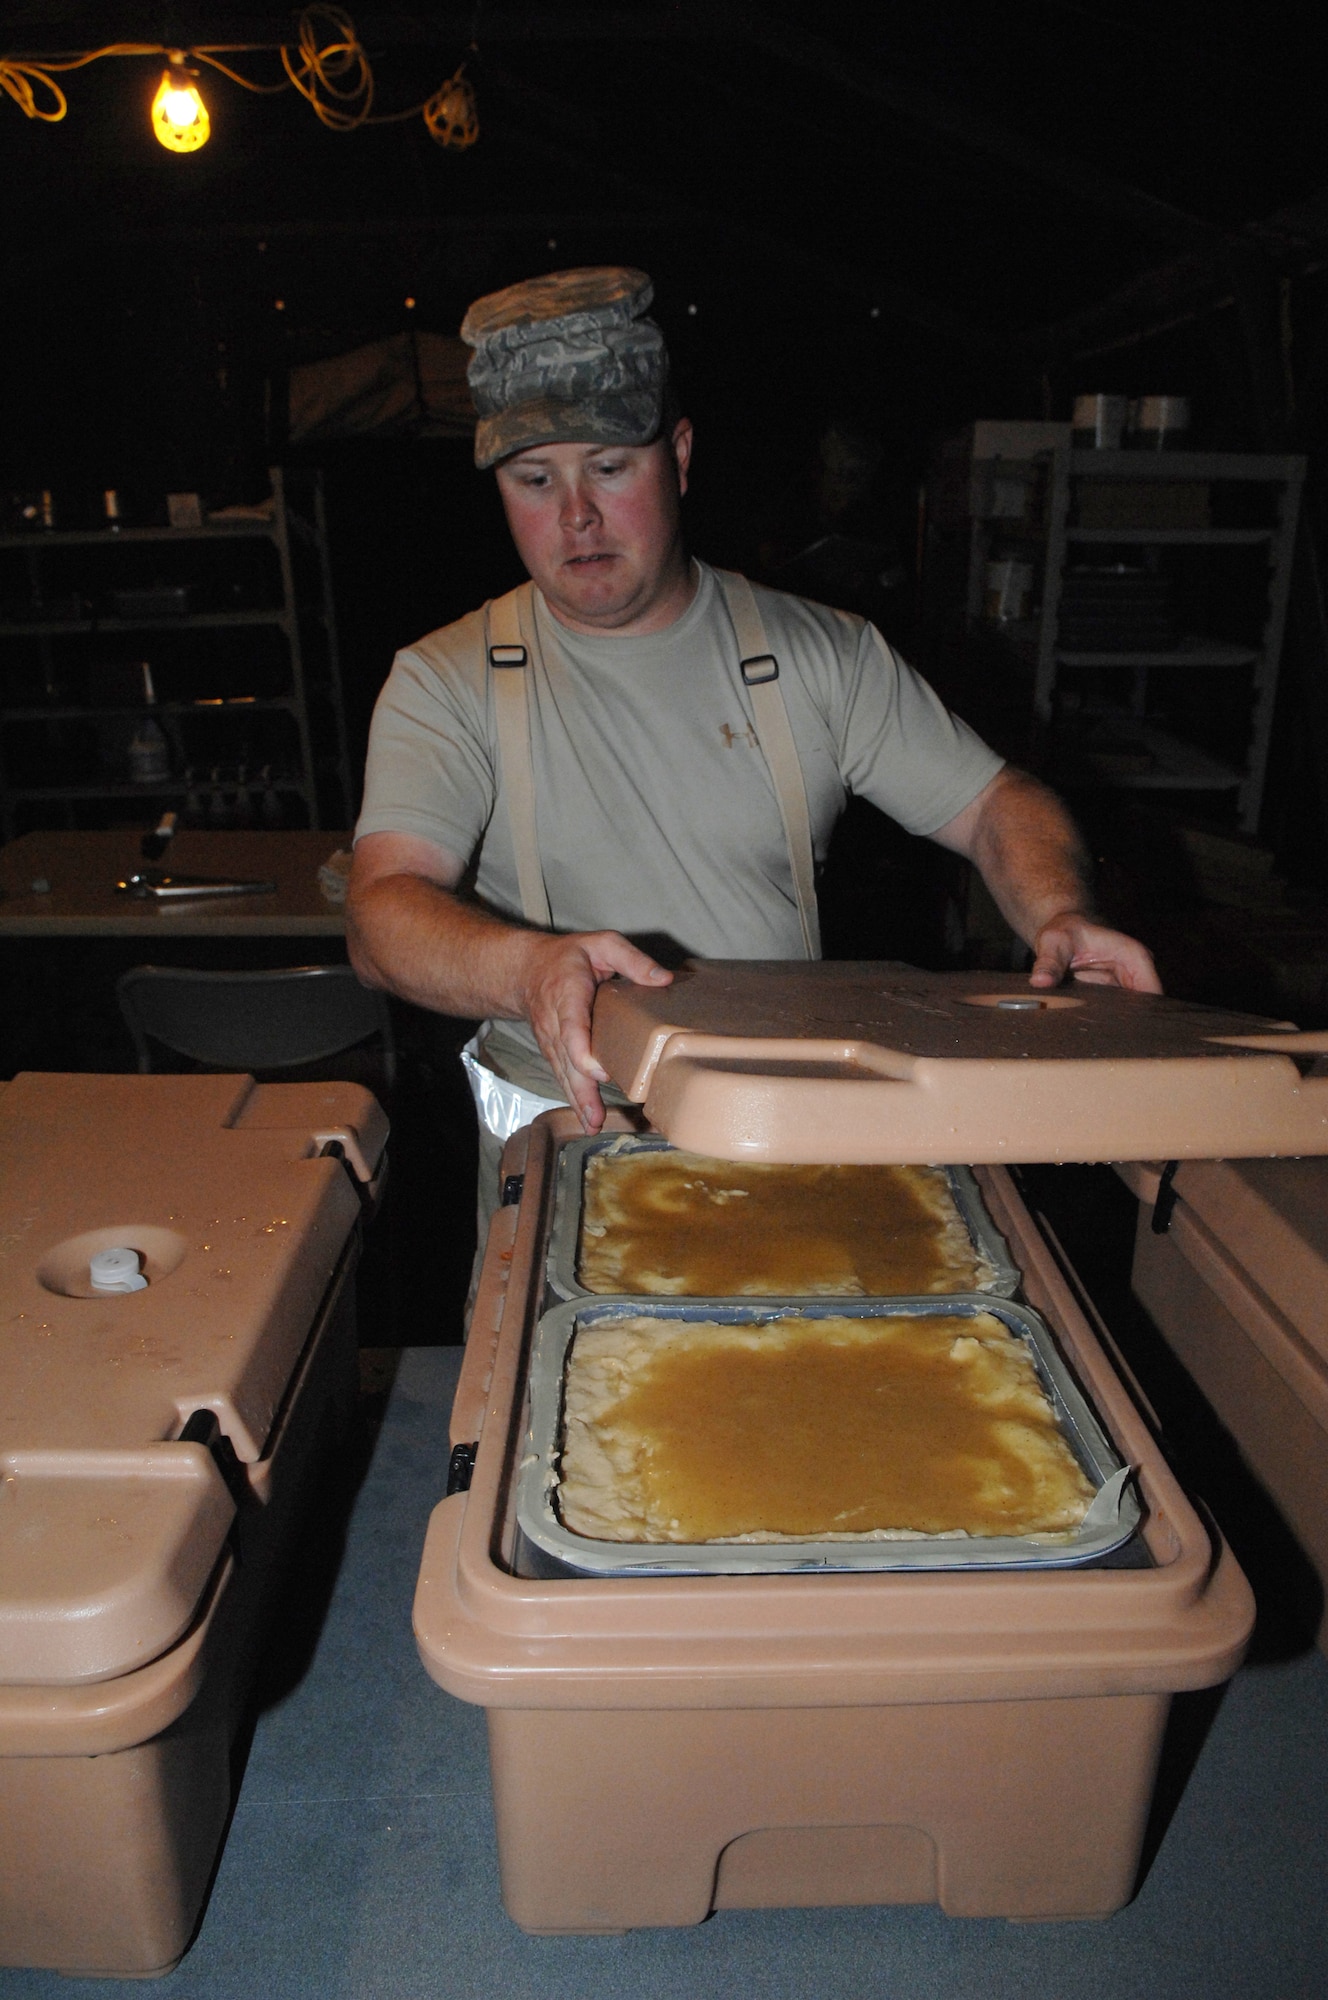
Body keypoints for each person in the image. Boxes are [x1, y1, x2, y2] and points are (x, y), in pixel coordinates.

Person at [347, 265, 1159, 1237]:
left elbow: (992, 803)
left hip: (784, 1122)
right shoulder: (447, 679)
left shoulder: (821, 655)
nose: (575, 515)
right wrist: (525, 971)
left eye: (608, 467)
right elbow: (381, 914)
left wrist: (1059, 909)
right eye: (534, 480)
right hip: (566, 1138)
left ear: (680, 456)